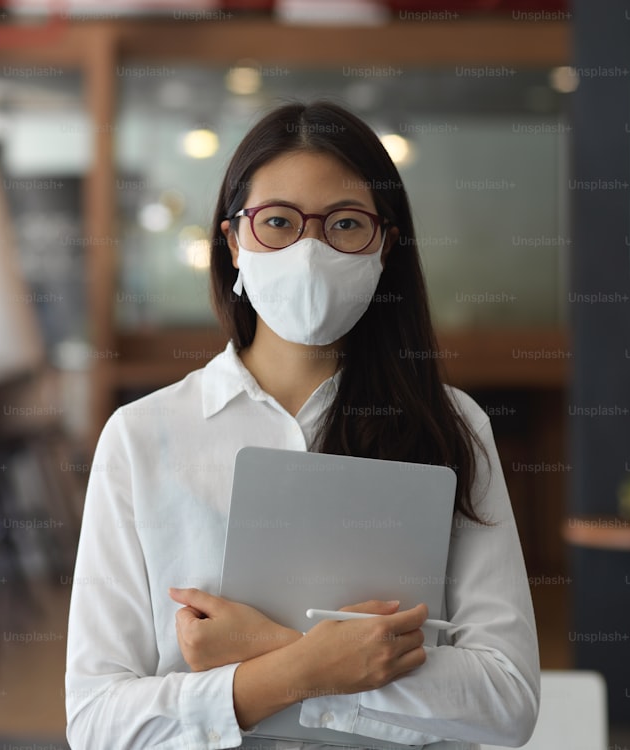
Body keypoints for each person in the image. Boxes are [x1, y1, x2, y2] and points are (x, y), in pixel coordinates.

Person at [65, 101, 539, 749]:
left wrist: (270, 652)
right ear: (232, 241)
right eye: (279, 222)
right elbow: (96, 721)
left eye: (345, 223)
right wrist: (301, 670)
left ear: (384, 245)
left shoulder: (450, 425)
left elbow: (507, 700)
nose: (309, 252)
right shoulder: (143, 436)